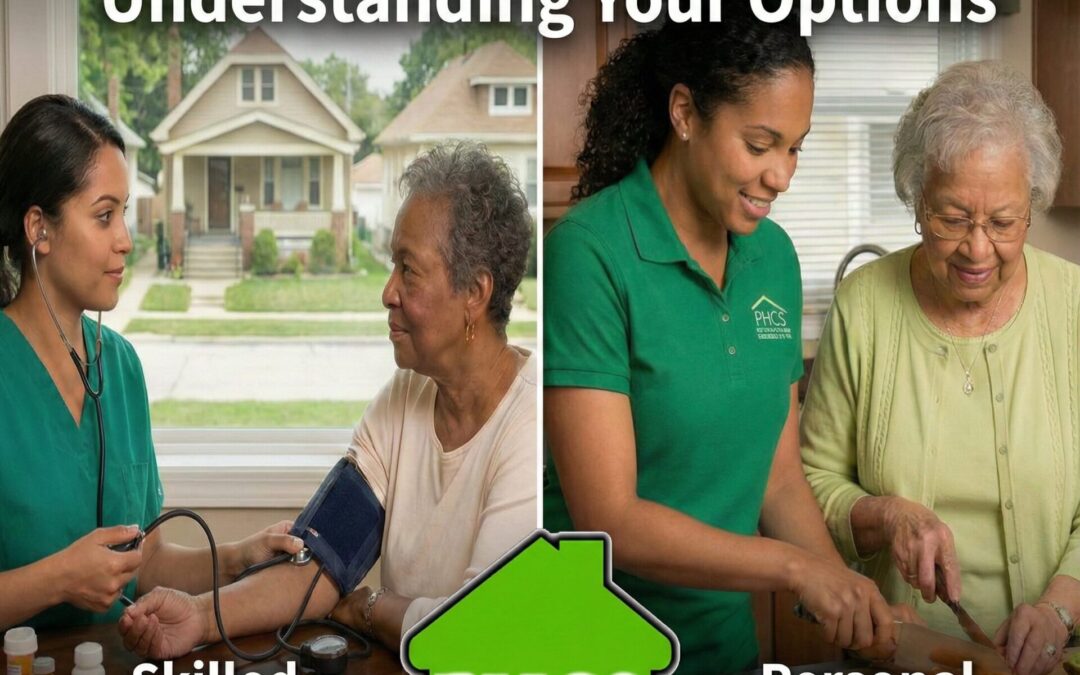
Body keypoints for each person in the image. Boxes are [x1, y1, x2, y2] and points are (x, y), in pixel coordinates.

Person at [543, 13, 896, 674]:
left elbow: (778, 476)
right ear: (684, 112)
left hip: (725, 651)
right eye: (760, 144)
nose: (782, 175)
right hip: (596, 645)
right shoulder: (588, 255)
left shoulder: (775, 260)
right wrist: (793, 568)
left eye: (796, 147)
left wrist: (846, 592)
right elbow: (608, 518)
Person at [118, 141, 537, 656]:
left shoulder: (534, 425)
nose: (387, 291)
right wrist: (200, 618)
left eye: (409, 268)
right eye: (392, 265)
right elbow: (319, 566)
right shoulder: (403, 399)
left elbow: (473, 629)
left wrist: (365, 607)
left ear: (474, 292)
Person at [801, 61, 1080, 675]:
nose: (978, 249)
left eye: (1004, 223)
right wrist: (889, 515)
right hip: (903, 654)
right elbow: (808, 483)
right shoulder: (865, 306)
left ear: (1032, 204)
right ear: (916, 198)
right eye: (953, 218)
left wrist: (1060, 608)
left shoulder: (1074, 308)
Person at [0, 94, 302, 631]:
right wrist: (59, 579)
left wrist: (238, 557)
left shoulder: (122, 368)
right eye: (104, 216)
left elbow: (148, 565)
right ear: (38, 229)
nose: (125, 241)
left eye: (125, 215)